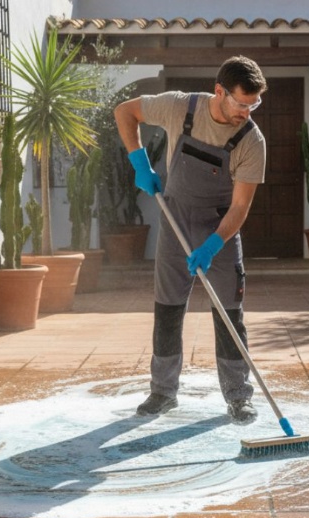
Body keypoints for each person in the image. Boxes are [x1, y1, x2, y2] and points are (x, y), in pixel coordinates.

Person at [114, 56, 267, 422]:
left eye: (254, 105)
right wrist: (139, 161)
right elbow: (125, 112)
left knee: (229, 313)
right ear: (220, 92)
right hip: (176, 220)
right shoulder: (180, 107)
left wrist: (214, 244)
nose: (246, 112)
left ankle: (238, 396)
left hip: (220, 226)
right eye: (241, 103)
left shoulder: (252, 141)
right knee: (167, 308)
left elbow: (240, 207)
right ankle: (162, 392)